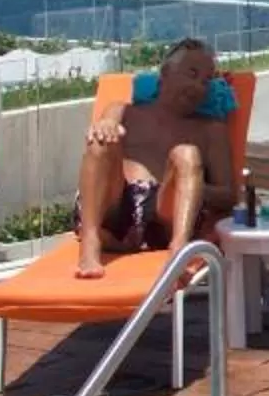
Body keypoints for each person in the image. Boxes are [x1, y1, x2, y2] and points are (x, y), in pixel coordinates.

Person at [75, 38, 236, 279]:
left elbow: (230, 194)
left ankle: (178, 252)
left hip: (165, 219)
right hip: (113, 209)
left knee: (187, 153)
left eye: (206, 81)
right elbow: (101, 145)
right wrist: (106, 126)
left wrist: (189, 185)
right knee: (102, 138)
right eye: (192, 74)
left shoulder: (210, 130)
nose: (198, 87)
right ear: (165, 73)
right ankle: (90, 243)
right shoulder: (123, 111)